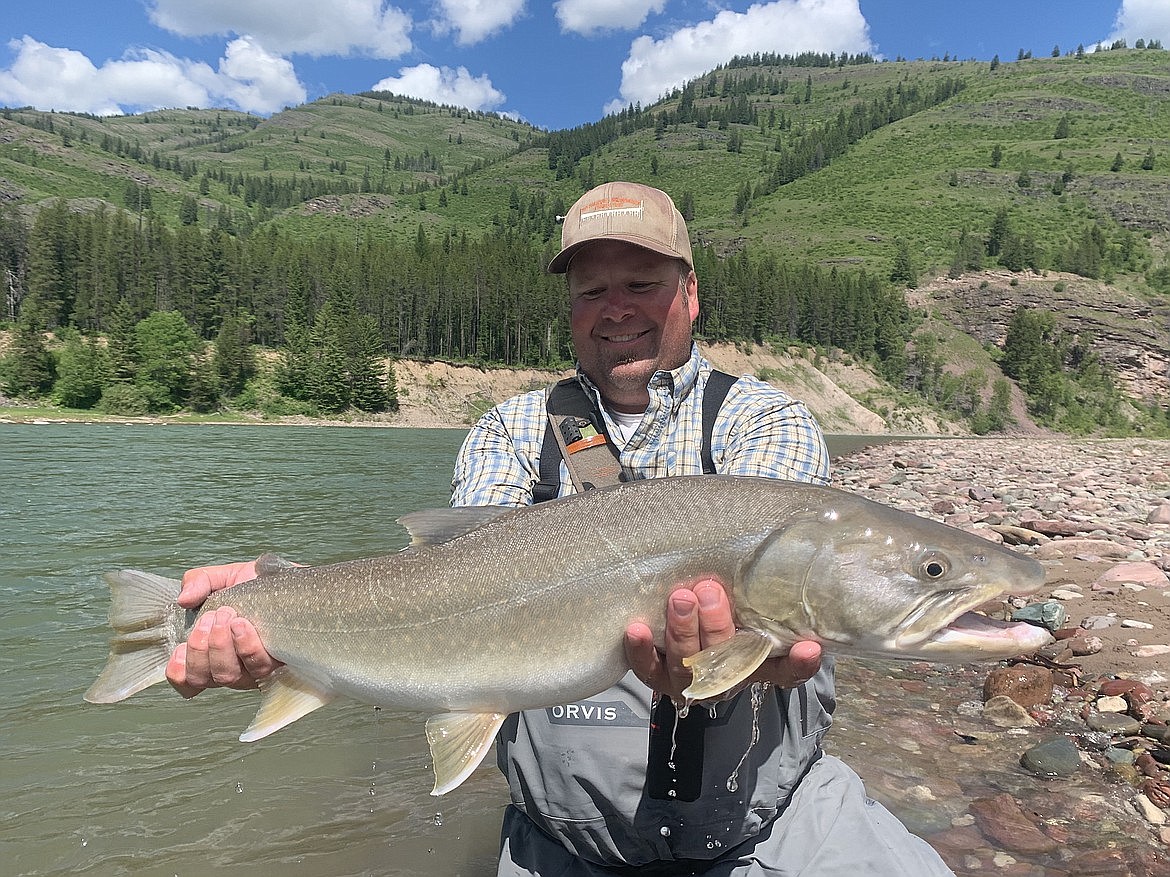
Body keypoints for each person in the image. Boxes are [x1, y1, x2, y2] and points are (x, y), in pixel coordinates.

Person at [167, 182, 953, 875]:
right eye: (592, 290)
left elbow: (798, 599)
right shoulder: (512, 430)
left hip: (770, 829)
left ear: (690, 293)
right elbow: (449, 588)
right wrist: (278, 601)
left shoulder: (763, 421)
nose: (617, 307)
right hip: (564, 847)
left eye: (641, 283)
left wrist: (754, 650)